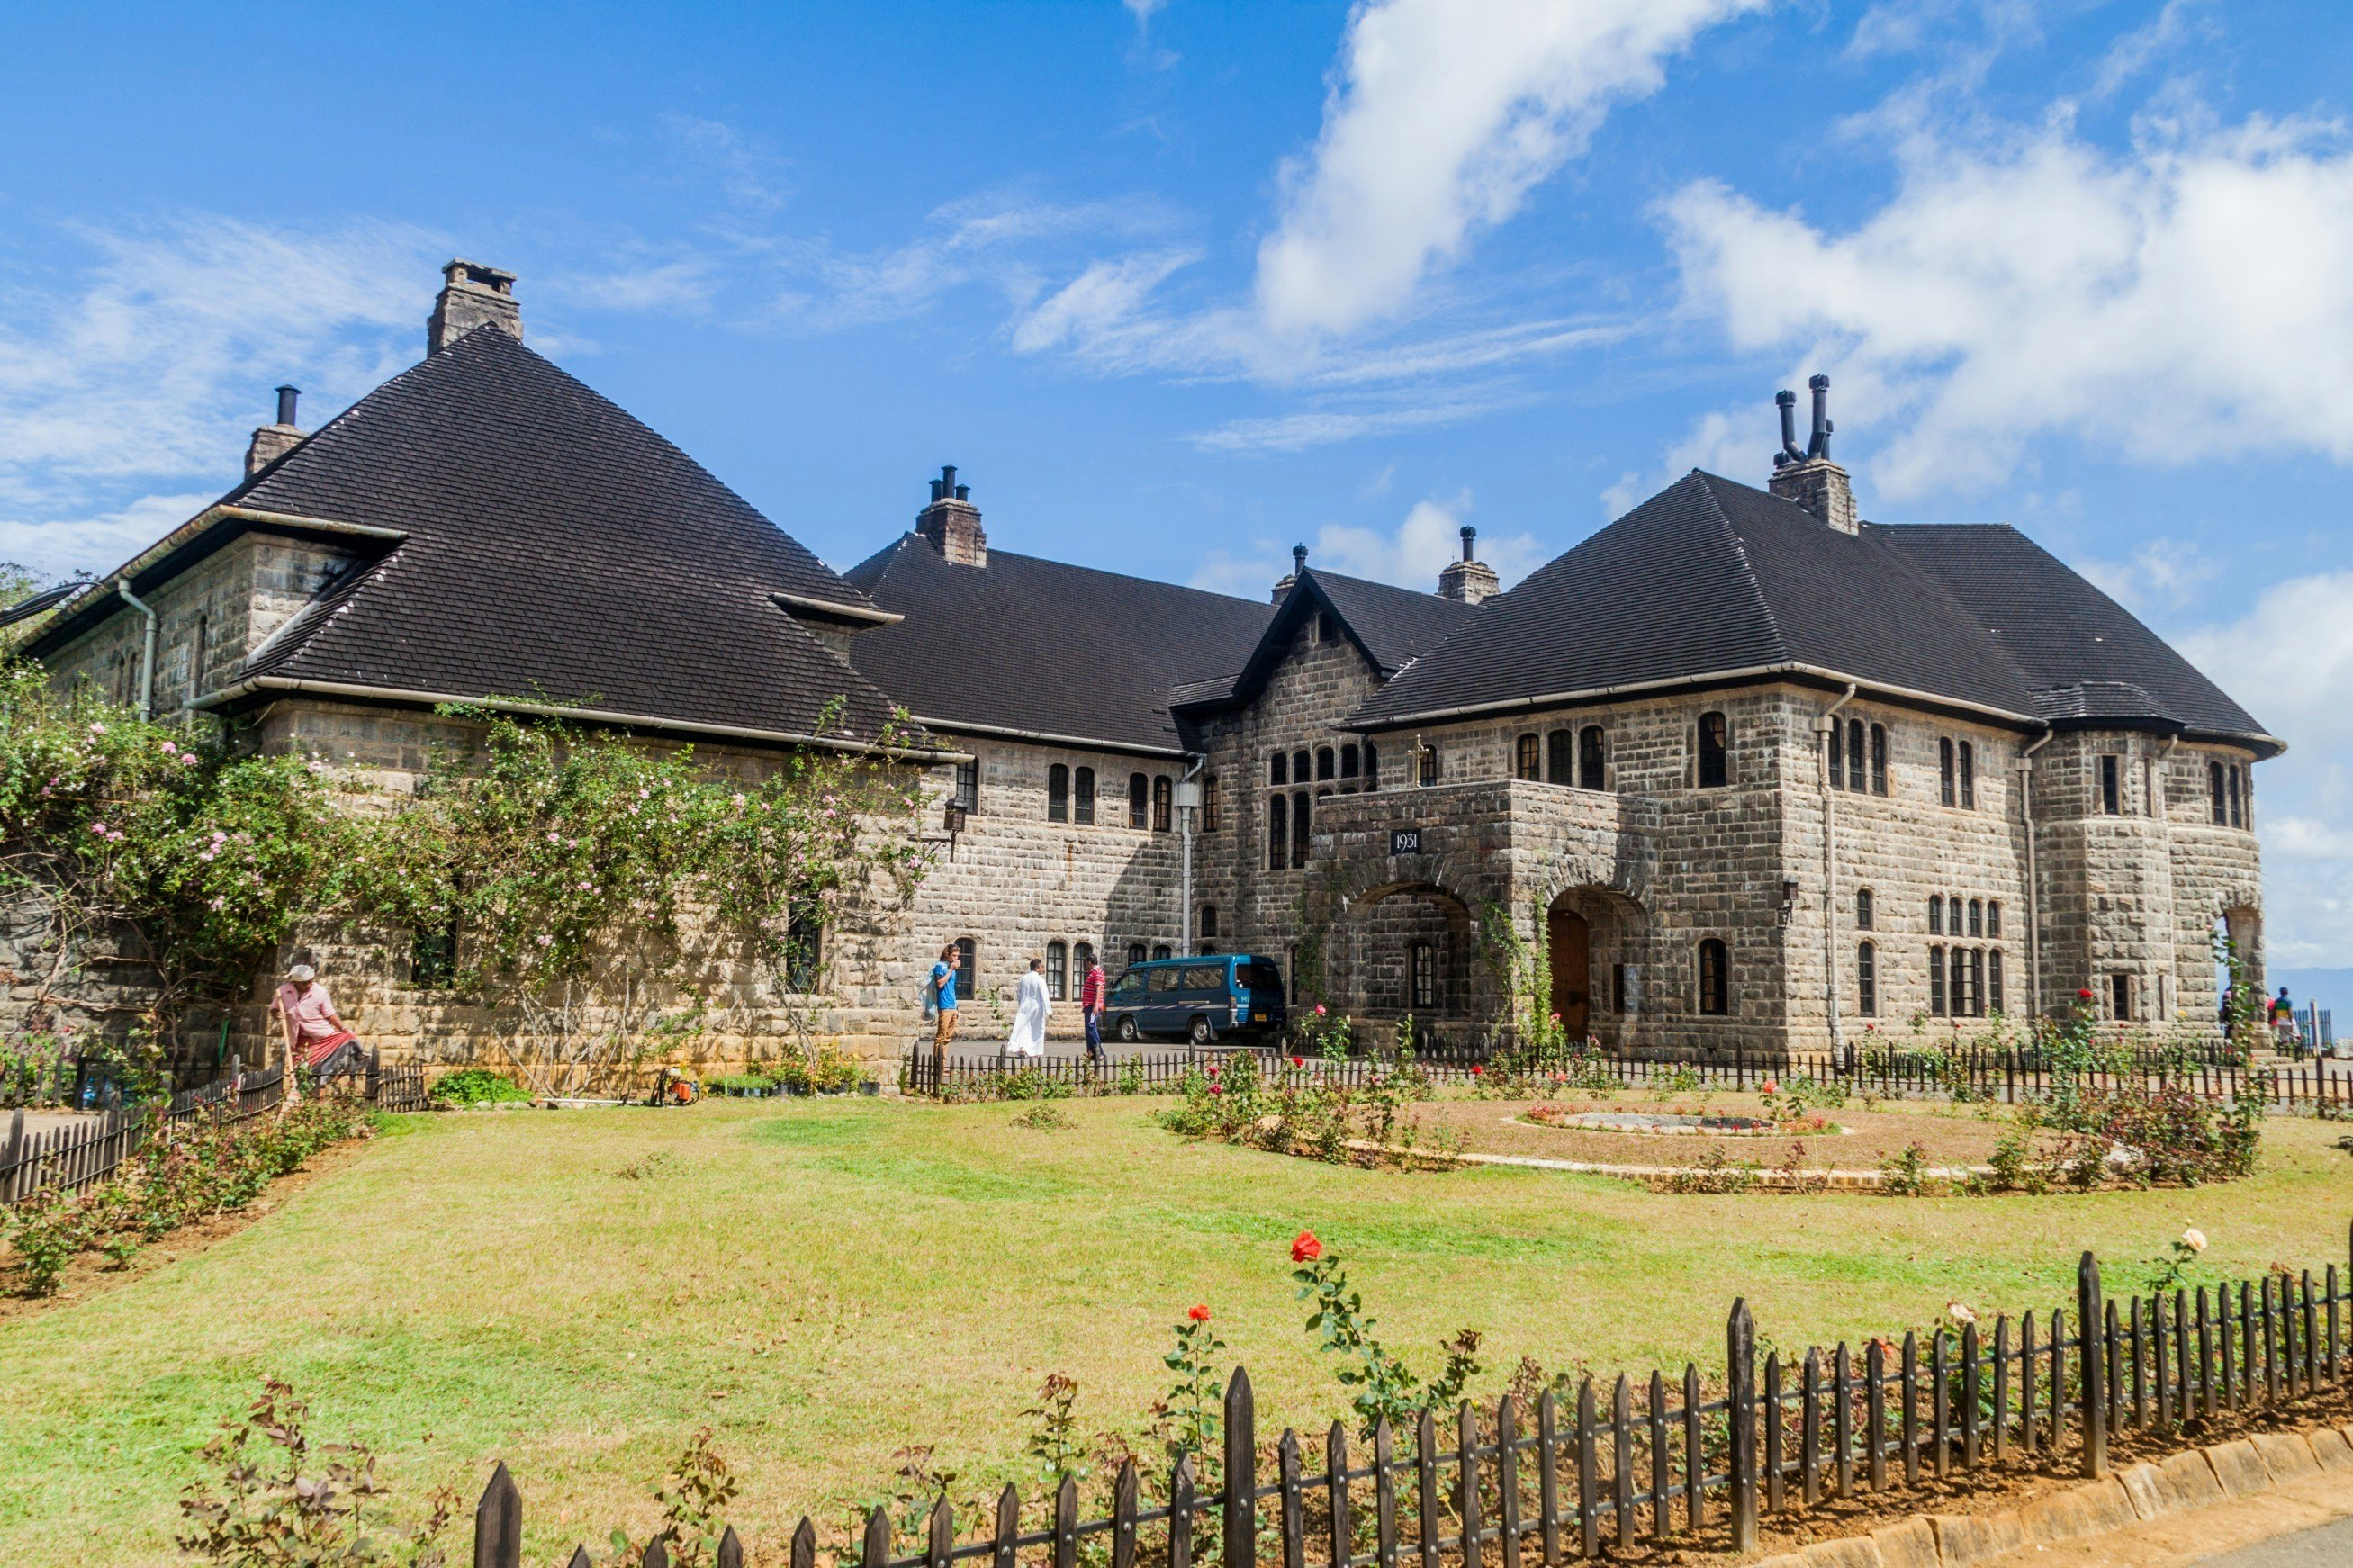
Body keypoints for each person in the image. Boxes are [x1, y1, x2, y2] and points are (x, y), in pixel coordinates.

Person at [269, 962, 366, 1086]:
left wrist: (342, 1027)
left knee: (348, 1042)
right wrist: (277, 1014)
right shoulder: (283, 991)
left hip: (321, 1037)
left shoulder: (320, 992)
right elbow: (273, 1008)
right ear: (295, 982)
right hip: (297, 1040)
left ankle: (324, 1090)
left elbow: (330, 1014)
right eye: (305, 983)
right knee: (302, 1072)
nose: (309, 985)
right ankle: (304, 1099)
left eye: (311, 981)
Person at [1007, 956, 1050, 1058]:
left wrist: (1021, 1004)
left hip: (1024, 1006)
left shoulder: (1023, 979)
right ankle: (1035, 1051)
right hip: (1036, 1007)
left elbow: (1019, 994)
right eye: (1042, 967)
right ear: (1037, 967)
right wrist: (1049, 1011)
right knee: (1037, 1028)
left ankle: (1022, 1047)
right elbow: (1045, 996)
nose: (1043, 969)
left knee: (1023, 1027)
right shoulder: (1040, 980)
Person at [929, 942, 961, 1050]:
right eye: (954, 955)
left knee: (948, 1038)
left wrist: (956, 1007)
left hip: (953, 1006)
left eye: (957, 956)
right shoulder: (940, 967)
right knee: (941, 1037)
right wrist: (951, 970)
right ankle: (938, 1066)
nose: (956, 958)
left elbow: (951, 988)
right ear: (947, 954)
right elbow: (940, 983)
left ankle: (943, 1065)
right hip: (944, 1006)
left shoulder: (951, 968)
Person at [1079, 950, 1109, 1064]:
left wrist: (1096, 1005)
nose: (1085, 966)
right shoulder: (1093, 972)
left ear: (1090, 962)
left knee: (1091, 1027)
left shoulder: (1098, 972)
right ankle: (1091, 1052)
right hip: (1089, 1005)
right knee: (1088, 1029)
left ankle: (1099, 1052)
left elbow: (1099, 989)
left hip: (1093, 1006)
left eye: (1086, 963)